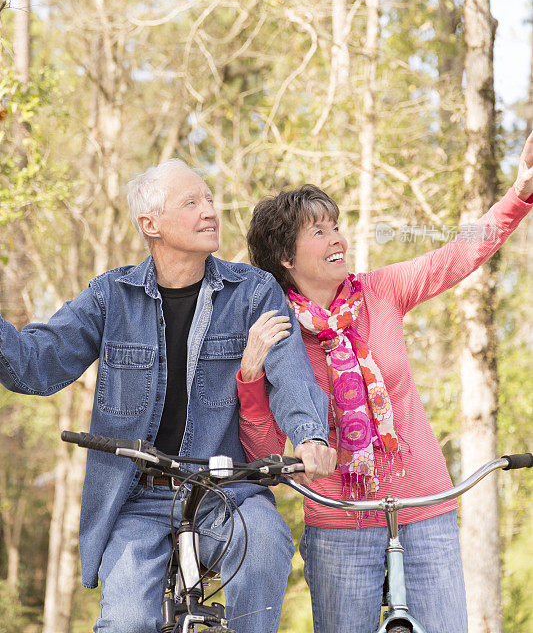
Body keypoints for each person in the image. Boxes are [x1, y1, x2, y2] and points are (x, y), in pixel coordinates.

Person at [0, 158, 337, 633]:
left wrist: (309, 437)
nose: (210, 211)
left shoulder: (253, 291)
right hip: (138, 495)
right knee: (127, 622)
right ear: (150, 224)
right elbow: (36, 366)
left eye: (210, 199)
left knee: (265, 545)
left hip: (229, 489)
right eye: (192, 202)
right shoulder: (109, 297)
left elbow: (290, 374)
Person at [237, 133, 533, 633]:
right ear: (285, 258)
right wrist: (250, 376)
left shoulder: (380, 291)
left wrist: (519, 194)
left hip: (425, 509)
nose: (337, 240)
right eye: (318, 232)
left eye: (336, 227)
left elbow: (458, 254)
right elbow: (262, 447)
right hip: (338, 522)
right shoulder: (277, 332)